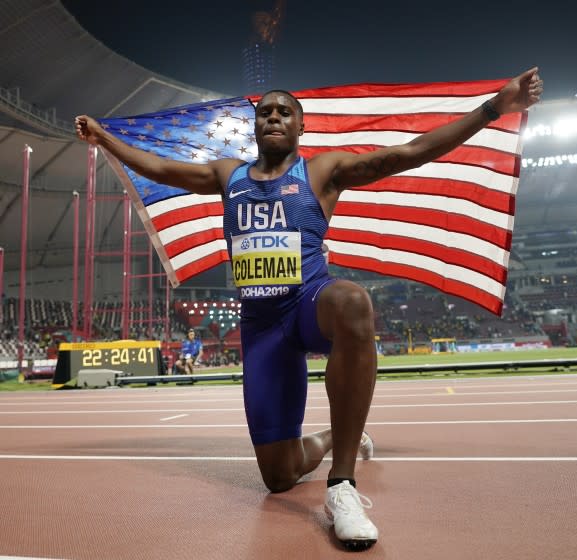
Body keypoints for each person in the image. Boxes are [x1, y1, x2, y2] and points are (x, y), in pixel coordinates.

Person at [75, 67, 542, 550]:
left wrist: (492, 109)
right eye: (265, 112)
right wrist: (105, 138)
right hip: (262, 328)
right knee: (280, 476)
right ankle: (341, 440)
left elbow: (409, 153)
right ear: (254, 126)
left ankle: (342, 487)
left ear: (301, 127)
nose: (273, 117)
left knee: (353, 301)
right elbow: (161, 169)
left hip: (310, 303)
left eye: (284, 112)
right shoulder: (227, 174)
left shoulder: (322, 171)